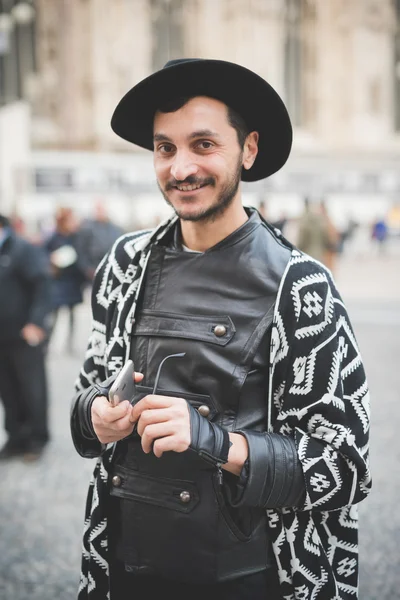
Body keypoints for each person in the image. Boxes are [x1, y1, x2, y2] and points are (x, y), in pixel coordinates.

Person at [70, 59, 371, 600]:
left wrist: (213, 441)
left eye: (203, 144)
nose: (180, 167)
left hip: (251, 574)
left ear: (248, 150)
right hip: (126, 568)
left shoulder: (300, 285)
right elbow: (85, 397)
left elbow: (343, 467)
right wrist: (95, 414)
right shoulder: (124, 263)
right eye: (165, 148)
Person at [0, 214, 51, 461]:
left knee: (32, 388)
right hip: (2, 336)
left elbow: (43, 286)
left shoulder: (22, 249)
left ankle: (36, 439)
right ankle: (15, 438)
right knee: (7, 390)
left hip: (25, 335)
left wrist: (36, 323)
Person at [44, 206, 86, 353]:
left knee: (72, 315)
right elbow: (44, 255)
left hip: (72, 281)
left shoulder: (75, 237)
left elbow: (82, 255)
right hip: (58, 281)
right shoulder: (53, 237)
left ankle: (70, 345)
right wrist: (53, 260)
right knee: (54, 315)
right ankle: (48, 342)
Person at [74, 198, 124, 282]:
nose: (100, 212)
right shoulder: (87, 229)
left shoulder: (115, 229)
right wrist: (87, 269)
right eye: (98, 209)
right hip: (94, 271)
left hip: (112, 270)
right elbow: (80, 252)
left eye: (102, 209)